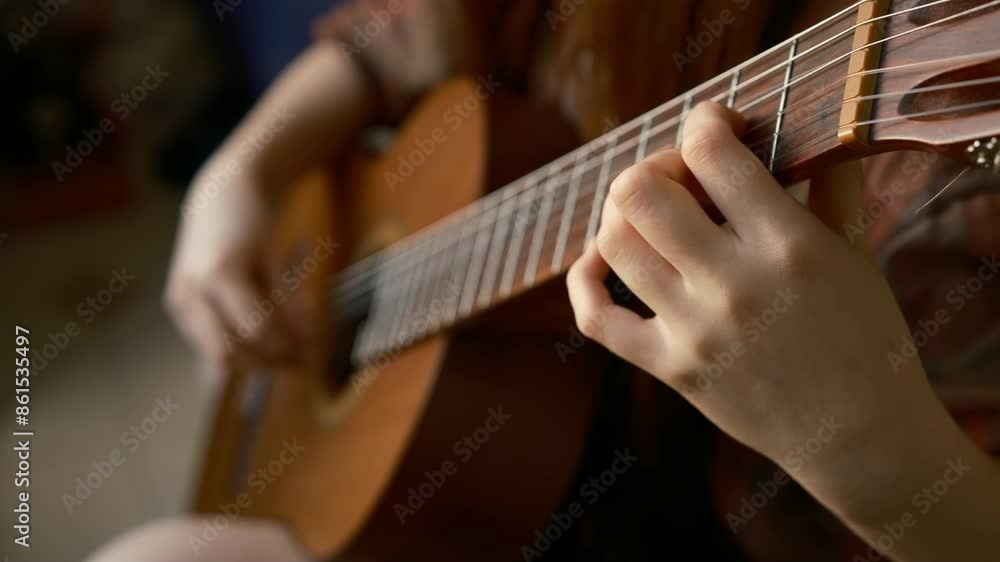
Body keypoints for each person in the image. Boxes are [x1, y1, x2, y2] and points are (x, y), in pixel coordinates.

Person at [90, 0, 1000, 561]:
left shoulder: (952, 214)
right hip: (500, 466)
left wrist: (878, 460)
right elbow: (383, 39)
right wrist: (234, 179)